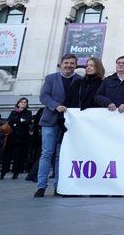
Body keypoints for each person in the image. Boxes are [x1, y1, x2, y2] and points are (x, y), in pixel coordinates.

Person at [34, 54, 81, 197]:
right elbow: (44, 96)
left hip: (67, 124)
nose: (69, 65)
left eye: (72, 63)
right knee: (47, 153)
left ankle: (59, 186)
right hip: (50, 121)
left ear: (75, 65)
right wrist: (56, 106)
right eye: (66, 63)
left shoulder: (79, 80)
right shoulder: (50, 78)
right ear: (61, 64)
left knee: (61, 156)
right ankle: (41, 186)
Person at [0, 97, 32, 179]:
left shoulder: (28, 112)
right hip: (11, 136)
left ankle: (15, 173)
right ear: (18, 103)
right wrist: (20, 120)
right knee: (7, 156)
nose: (23, 103)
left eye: (25, 102)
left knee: (18, 156)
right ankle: (3, 173)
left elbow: (27, 121)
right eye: (22, 102)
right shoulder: (13, 112)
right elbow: (9, 121)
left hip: (21, 137)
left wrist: (18, 120)